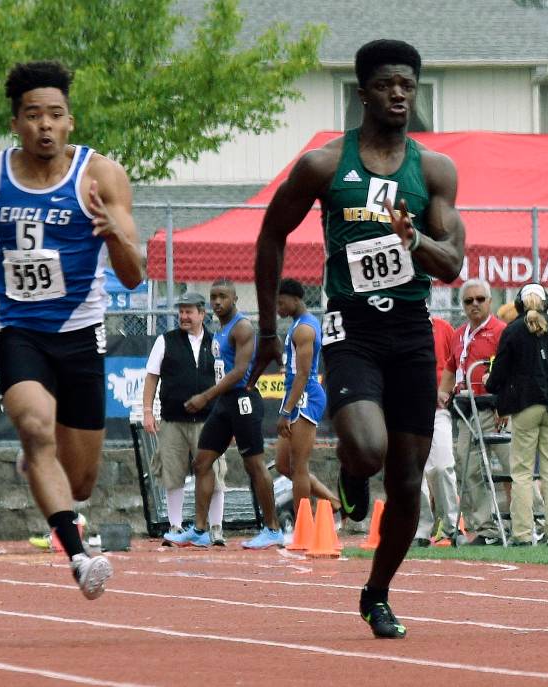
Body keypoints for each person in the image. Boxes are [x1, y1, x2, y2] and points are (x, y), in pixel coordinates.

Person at [251, 39, 466, 638]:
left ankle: (377, 592)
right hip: (351, 330)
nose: (399, 94)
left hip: (411, 333)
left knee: (406, 480)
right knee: (368, 450)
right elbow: (271, 235)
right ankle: (349, 475)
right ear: (364, 91)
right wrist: (269, 327)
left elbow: (452, 263)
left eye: (408, 85)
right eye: (387, 84)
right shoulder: (325, 165)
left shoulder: (434, 170)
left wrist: (413, 240)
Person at [0, 61, 144, 599]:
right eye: (33, 115)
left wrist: (113, 232)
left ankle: (38, 457)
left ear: (70, 121)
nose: (45, 125)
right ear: (16, 123)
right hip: (19, 327)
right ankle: (79, 557)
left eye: (56, 115)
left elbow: (135, 276)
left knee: (83, 480)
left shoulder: (102, 177)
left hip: (81, 330)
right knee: (35, 425)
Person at [164, 280, 283, 550]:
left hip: (242, 400)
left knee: (254, 464)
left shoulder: (242, 327)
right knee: (202, 462)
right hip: (225, 403)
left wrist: (205, 396)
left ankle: (273, 528)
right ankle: (200, 530)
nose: (217, 302)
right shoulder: (220, 328)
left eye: (223, 297)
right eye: (214, 297)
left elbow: (240, 371)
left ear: (235, 299)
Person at [485, 283, 548, 547]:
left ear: (518, 304)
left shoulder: (512, 330)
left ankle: (523, 534)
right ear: (546, 303)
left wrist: (490, 382)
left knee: (523, 473)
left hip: (525, 405)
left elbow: (499, 372)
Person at [142, 291, 228, 546]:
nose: (184, 316)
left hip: (210, 421)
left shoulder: (217, 343)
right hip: (172, 421)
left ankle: (216, 528)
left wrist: (228, 419)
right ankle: (176, 527)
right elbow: (151, 377)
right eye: (181, 312)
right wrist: (148, 411)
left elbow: (225, 382)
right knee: (172, 475)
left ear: (202, 314)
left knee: (214, 474)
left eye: (189, 311)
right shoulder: (165, 341)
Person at [439, 278, 510, 546]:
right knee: (469, 469)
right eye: (469, 301)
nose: (475, 305)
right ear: (463, 305)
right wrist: (443, 392)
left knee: (514, 467)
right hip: (468, 412)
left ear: (490, 301)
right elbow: (450, 365)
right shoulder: (459, 334)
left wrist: (506, 404)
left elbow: (512, 370)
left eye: (480, 299)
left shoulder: (502, 331)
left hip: (496, 409)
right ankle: (487, 530)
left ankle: (530, 523)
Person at [274, 278, 340, 513]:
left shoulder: (304, 328)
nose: (278, 309)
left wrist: (285, 411)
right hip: (294, 395)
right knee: (284, 465)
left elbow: (303, 374)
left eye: (281, 303)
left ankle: (304, 524)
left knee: (298, 465)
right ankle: (333, 502)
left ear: (295, 299)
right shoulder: (297, 324)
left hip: (306, 396)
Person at [412, 314, 460, 547]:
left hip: (438, 411)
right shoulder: (397, 328)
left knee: (441, 466)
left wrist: (449, 391)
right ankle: (420, 529)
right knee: (414, 472)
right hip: (408, 410)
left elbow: (456, 364)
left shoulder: (442, 328)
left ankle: (451, 525)